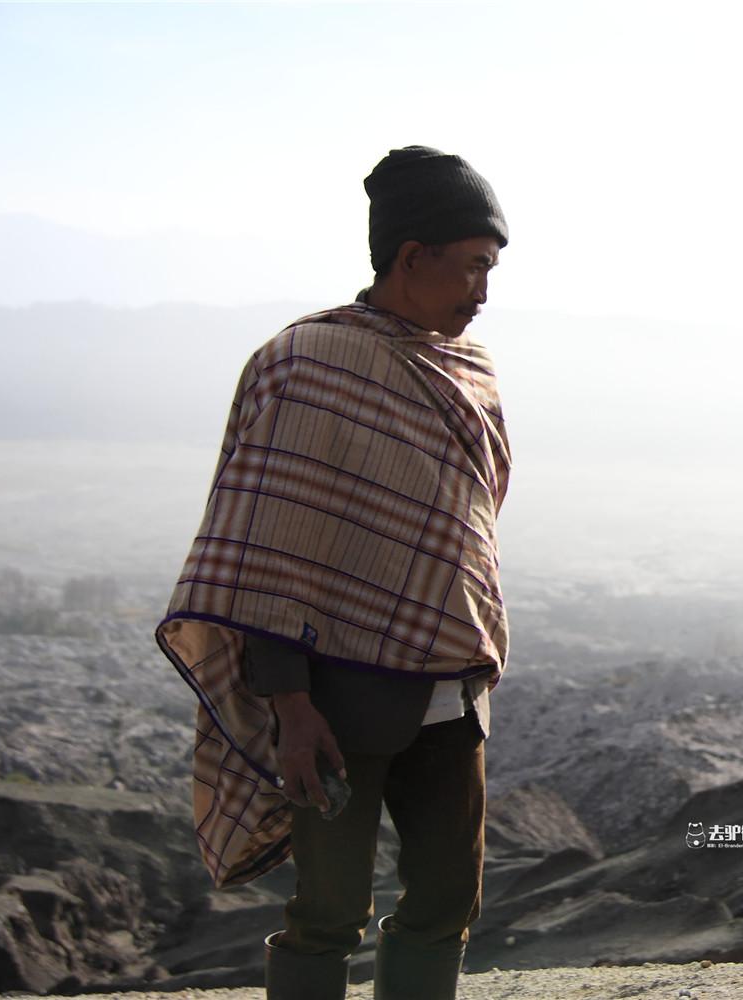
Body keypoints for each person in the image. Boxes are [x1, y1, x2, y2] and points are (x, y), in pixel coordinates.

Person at [155, 146, 513, 1000]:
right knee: (329, 909)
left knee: (445, 898)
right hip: (332, 705)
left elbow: (463, 532)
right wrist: (290, 706)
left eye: (492, 269)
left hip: (448, 696)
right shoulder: (306, 364)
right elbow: (267, 553)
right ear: (410, 257)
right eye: (470, 267)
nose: (483, 291)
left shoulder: (470, 371)